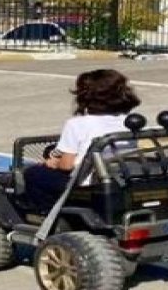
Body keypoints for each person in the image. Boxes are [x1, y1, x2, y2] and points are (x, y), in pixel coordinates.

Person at [21, 69, 141, 212]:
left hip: (87, 182)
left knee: (33, 174)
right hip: (122, 174)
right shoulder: (128, 121)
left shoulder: (77, 124)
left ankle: (47, 214)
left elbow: (66, 165)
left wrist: (53, 163)